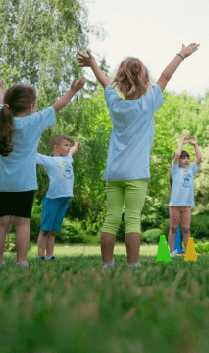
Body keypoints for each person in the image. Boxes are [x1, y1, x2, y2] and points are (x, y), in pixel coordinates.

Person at [78, 43, 199, 268]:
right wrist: (181, 55)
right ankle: (133, 263)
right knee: (132, 218)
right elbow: (166, 76)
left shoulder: (115, 105)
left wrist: (92, 64)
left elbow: (105, 82)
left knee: (112, 218)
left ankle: (107, 264)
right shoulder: (148, 103)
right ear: (144, 82)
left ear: (122, 83)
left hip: (113, 172)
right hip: (136, 174)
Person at [0, 73, 84, 267]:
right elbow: (58, 105)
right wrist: (73, 90)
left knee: (1, 224)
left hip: (1, 182)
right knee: (22, 223)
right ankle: (21, 261)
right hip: (24, 183)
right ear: (31, 106)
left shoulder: (1, 117)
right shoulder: (34, 121)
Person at [35, 135, 81, 261]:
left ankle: (50, 256)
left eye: (68, 146)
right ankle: (40, 256)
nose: (68, 148)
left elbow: (72, 151)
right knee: (45, 230)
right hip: (52, 199)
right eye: (66, 145)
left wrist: (75, 146)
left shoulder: (68, 158)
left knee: (54, 231)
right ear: (56, 147)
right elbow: (31, 154)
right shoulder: (49, 160)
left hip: (65, 199)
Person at [168, 136, 202, 256]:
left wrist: (195, 145)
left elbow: (199, 158)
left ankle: (189, 252)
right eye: (183, 158)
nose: (186, 160)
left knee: (186, 229)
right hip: (175, 204)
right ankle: (171, 251)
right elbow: (176, 156)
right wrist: (182, 143)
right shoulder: (175, 170)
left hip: (187, 205)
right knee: (173, 228)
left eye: (188, 158)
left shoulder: (191, 170)